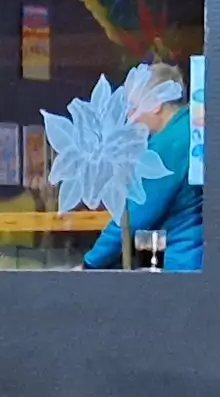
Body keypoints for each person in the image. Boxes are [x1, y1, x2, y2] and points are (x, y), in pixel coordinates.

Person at [85, 60, 203, 271]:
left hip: (185, 263)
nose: (129, 117)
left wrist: (90, 263)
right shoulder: (194, 129)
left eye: (133, 107)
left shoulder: (169, 145)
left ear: (156, 103)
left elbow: (135, 213)